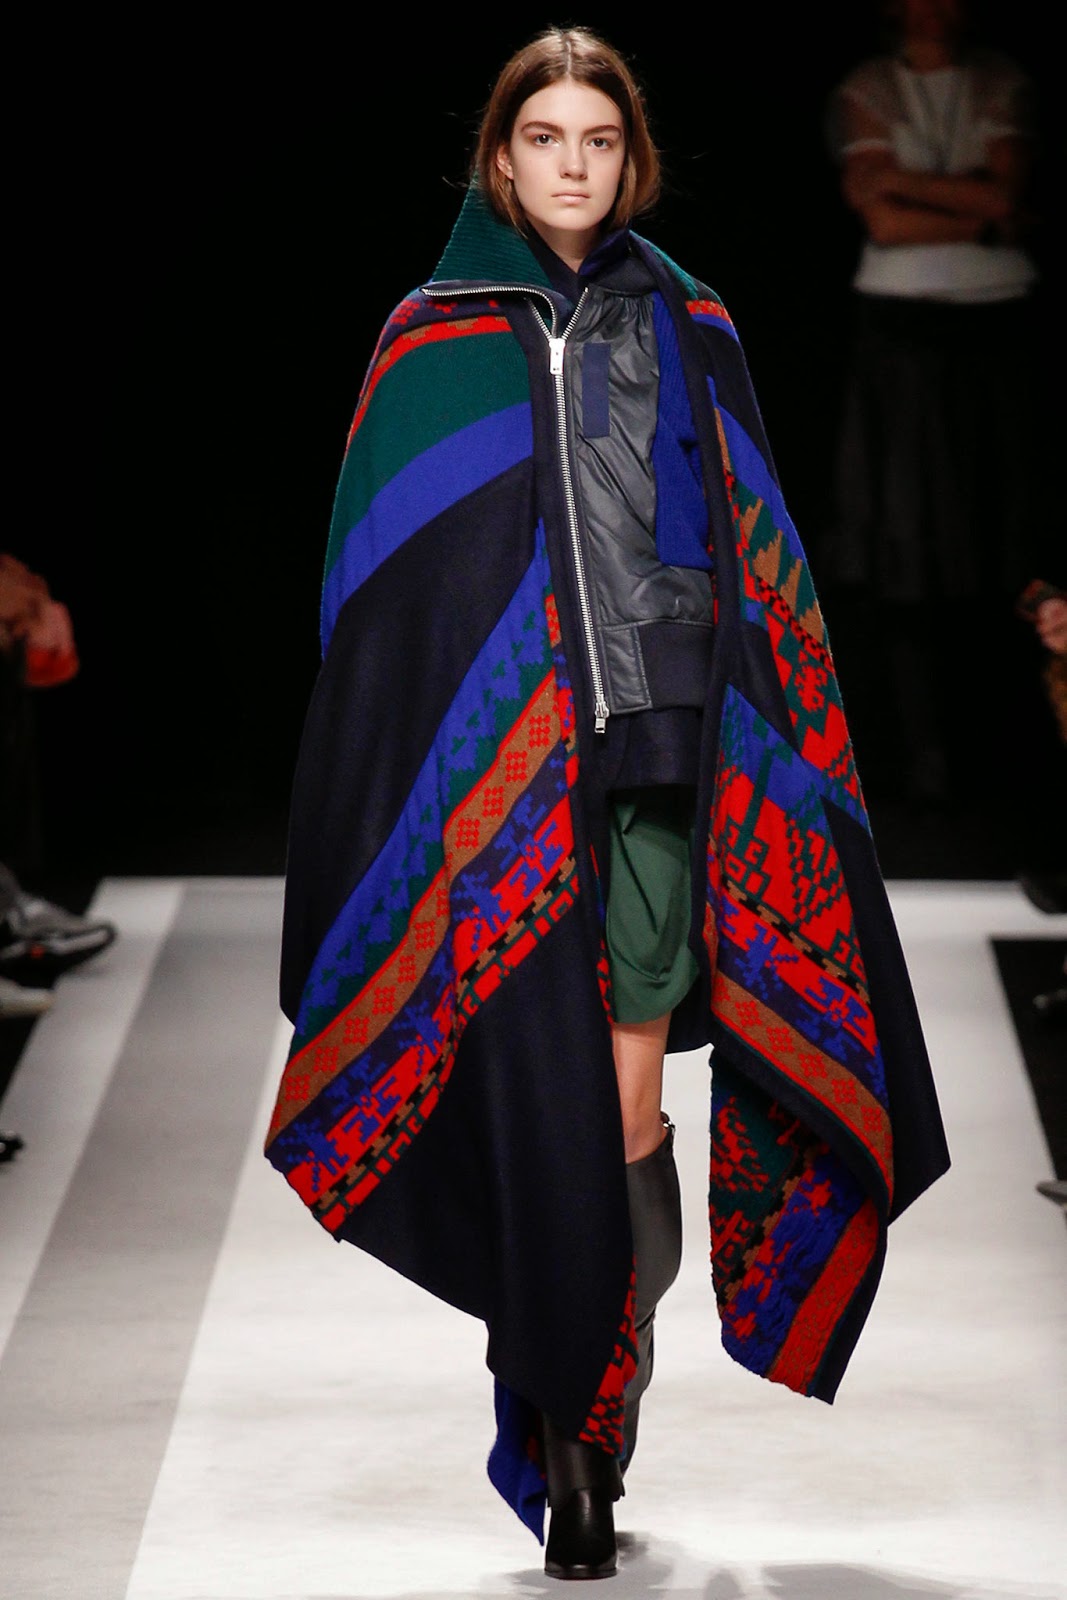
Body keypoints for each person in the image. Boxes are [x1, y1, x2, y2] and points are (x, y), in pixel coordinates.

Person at [264, 27, 950, 1582]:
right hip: (488, 790)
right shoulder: (426, 338)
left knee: (625, 1109)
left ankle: (600, 1411)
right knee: (536, 1111)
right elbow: (381, 583)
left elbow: (758, 554)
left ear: (628, 158)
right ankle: (571, 1450)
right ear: (497, 158)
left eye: (595, 139)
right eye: (542, 139)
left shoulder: (692, 320)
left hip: (654, 754)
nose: (570, 165)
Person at [820, 0, 1053, 824]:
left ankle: (1018, 759)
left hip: (998, 323)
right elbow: (880, 214)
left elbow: (1006, 187)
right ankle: (926, 762)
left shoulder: (999, 79)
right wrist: (982, 211)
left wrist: (922, 187)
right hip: (899, 329)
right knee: (909, 541)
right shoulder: (868, 86)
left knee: (1005, 535)